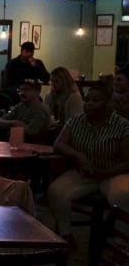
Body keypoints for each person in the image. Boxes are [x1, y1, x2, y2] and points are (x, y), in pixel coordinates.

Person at [47, 85, 129, 245]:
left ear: (108, 103)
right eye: (87, 100)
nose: (89, 104)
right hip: (84, 173)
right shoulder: (76, 121)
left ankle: (121, 242)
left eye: (95, 100)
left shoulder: (122, 125)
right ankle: (66, 235)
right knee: (56, 191)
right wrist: (78, 155)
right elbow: (58, 144)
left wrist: (103, 173)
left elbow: (128, 162)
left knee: (123, 195)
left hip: (113, 173)